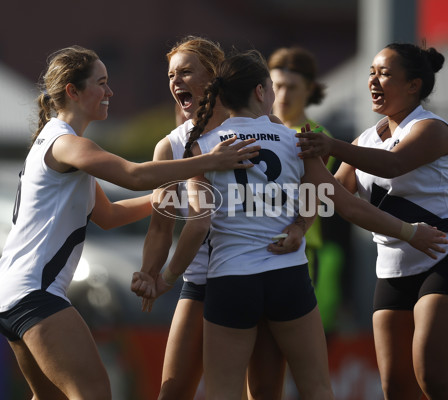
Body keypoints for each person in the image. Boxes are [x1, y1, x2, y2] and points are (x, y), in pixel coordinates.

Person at [132, 49, 448, 400]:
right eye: (272, 86)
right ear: (260, 92)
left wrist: (164, 279)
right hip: (288, 277)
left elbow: (196, 225)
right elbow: (342, 203)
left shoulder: (202, 148)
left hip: (231, 278)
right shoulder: (295, 139)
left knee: (225, 393)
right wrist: (409, 231)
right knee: (316, 389)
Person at [0, 45, 260, 400]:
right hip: (33, 294)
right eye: (101, 83)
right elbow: (132, 175)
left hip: (8, 296)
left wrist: (163, 197)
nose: (110, 92)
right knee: (94, 391)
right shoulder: (65, 142)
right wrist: (210, 162)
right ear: (73, 91)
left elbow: (110, 215)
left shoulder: (60, 144)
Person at [296, 43, 448, 400]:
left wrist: (328, 146)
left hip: (447, 256)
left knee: (432, 376)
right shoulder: (366, 139)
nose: (373, 81)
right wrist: (301, 162)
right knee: (395, 387)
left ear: (414, 85)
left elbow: (392, 165)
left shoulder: (432, 128)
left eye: (384, 73)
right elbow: (331, 194)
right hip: (393, 268)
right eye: (371, 72)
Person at [133, 36, 293, 400]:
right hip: (203, 280)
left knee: (264, 392)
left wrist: (299, 226)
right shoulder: (172, 145)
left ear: (215, 76)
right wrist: (150, 273)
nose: (176, 81)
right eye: (171, 75)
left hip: (261, 273)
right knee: (173, 392)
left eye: (186, 72)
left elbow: (309, 192)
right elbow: (161, 226)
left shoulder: (266, 126)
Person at [268, 46, 344, 335]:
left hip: (300, 251)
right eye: (277, 85)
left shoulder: (319, 137)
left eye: (292, 87)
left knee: (292, 351)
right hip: (251, 246)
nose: (283, 95)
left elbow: (312, 195)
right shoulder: (251, 128)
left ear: (309, 89)